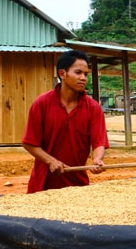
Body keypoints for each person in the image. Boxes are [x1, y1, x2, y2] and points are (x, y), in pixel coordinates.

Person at [22, 50, 109, 193]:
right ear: (62, 74)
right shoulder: (41, 104)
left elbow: (99, 142)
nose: (83, 78)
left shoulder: (93, 108)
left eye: (86, 74)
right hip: (42, 184)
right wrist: (51, 161)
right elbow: (29, 142)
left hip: (77, 185)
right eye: (78, 72)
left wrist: (97, 160)